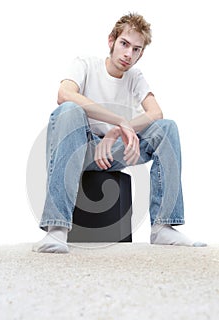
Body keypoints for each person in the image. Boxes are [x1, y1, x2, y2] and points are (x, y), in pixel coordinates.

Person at [32, 12, 206, 253]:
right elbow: (64, 94)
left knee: (166, 129)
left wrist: (116, 132)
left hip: (110, 151)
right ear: (111, 40)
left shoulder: (135, 76)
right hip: (75, 147)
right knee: (70, 110)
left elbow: (156, 113)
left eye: (136, 49)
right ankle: (57, 229)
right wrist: (120, 120)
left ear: (141, 53)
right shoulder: (85, 63)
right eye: (124, 44)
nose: (128, 54)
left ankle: (163, 227)